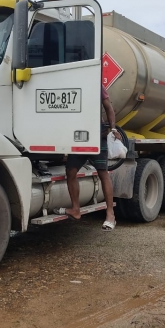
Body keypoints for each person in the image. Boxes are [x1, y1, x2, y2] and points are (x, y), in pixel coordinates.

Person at [55, 85, 121, 231]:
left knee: (102, 172)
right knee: (71, 171)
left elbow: (109, 107)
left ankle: (110, 214)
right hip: (79, 135)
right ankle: (75, 209)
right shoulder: (71, 84)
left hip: (97, 135)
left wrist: (113, 128)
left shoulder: (96, 83)